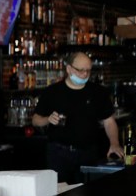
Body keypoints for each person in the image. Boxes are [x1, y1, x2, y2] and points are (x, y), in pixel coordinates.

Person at [32, 51, 124, 184]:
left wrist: (114, 143)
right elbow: (35, 120)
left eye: (88, 70)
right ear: (69, 69)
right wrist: (48, 119)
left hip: (88, 152)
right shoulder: (52, 92)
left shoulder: (98, 92)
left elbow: (109, 121)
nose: (85, 74)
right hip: (59, 153)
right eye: (80, 70)